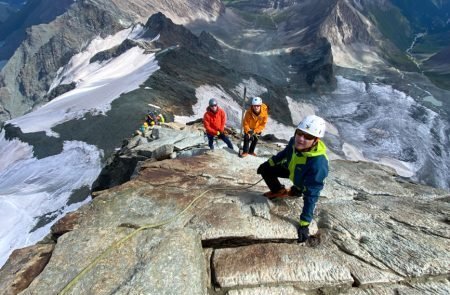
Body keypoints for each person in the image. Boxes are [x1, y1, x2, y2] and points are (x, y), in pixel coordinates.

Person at [256, 115, 328, 243]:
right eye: (299, 133)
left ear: (316, 140)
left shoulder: (318, 164)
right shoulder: (294, 142)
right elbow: (284, 154)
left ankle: (297, 190)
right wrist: (268, 164)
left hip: (302, 180)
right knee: (266, 170)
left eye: (308, 137)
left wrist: (305, 223)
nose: (301, 139)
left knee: (302, 189)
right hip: (290, 170)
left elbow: (312, 194)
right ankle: (278, 190)